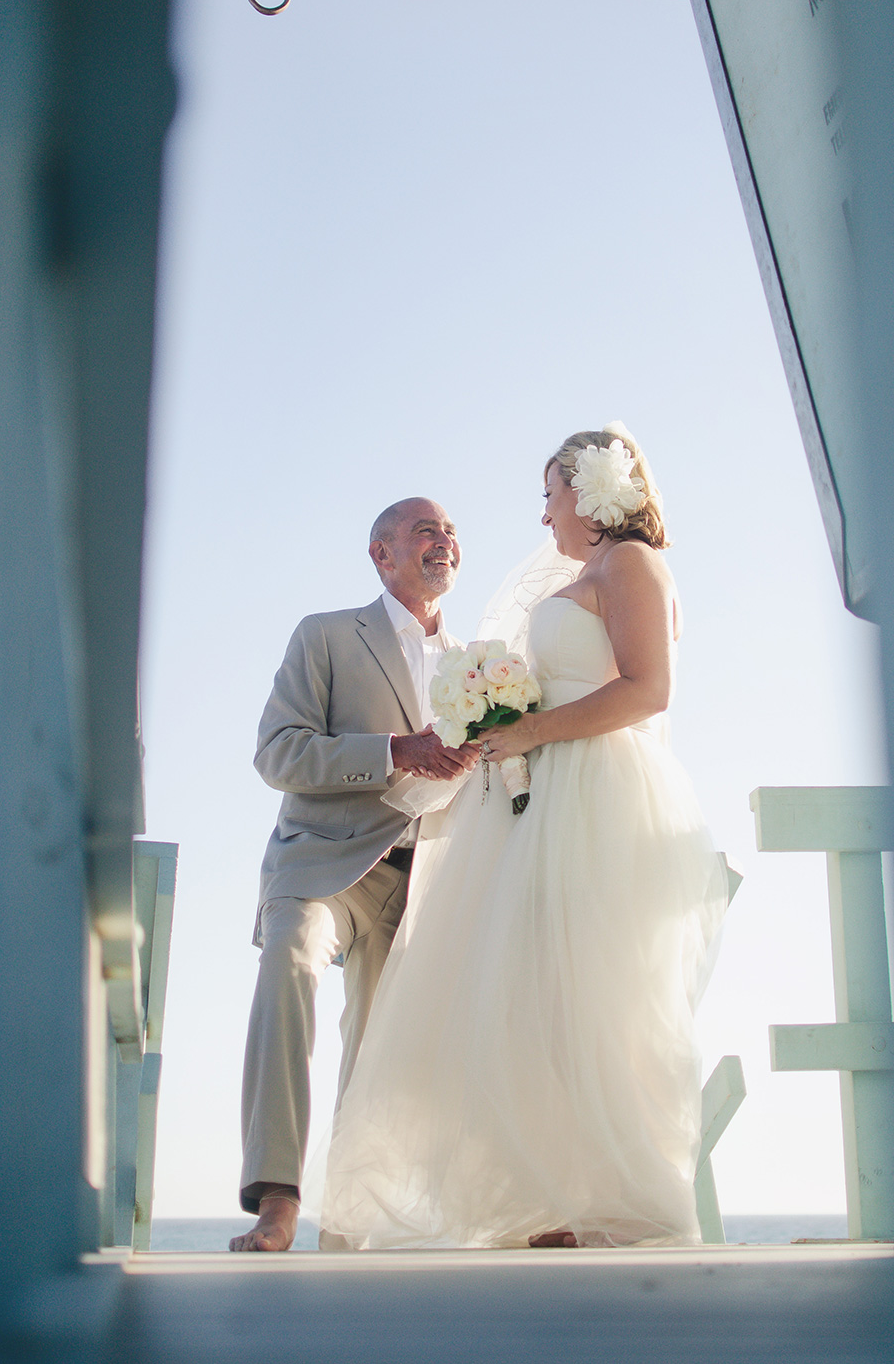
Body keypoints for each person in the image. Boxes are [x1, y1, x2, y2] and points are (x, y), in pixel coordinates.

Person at [318, 427, 728, 1249]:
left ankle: (620, 1203)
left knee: (595, 997)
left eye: (550, 495)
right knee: (538, 1000)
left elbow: (650, 690)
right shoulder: (586, 576)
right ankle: (555, 1197)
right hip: (546, 794)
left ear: (590, 489)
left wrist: (535, 729)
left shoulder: (635, 567)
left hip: (599, 794)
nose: (543, 517)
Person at [230, 497, 480, 1252]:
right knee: (290, 961)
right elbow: (279, 752)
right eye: (425, 530)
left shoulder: (482, 663)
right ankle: (277, 1200)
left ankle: (347, 1221)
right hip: (324, 864)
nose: (444, 542)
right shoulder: (329, 635)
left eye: (450, 532)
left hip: (427, 877)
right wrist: (396, 749)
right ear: (381, 554)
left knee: (378, 1045)